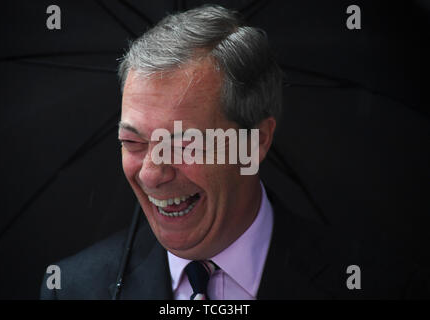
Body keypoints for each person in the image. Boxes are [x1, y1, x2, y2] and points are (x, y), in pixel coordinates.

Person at [40, 4, 429, 300]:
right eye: (134, 143)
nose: (152, 174)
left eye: (184, 143)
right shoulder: (73, 288)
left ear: (255, 142)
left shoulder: (378, 284)